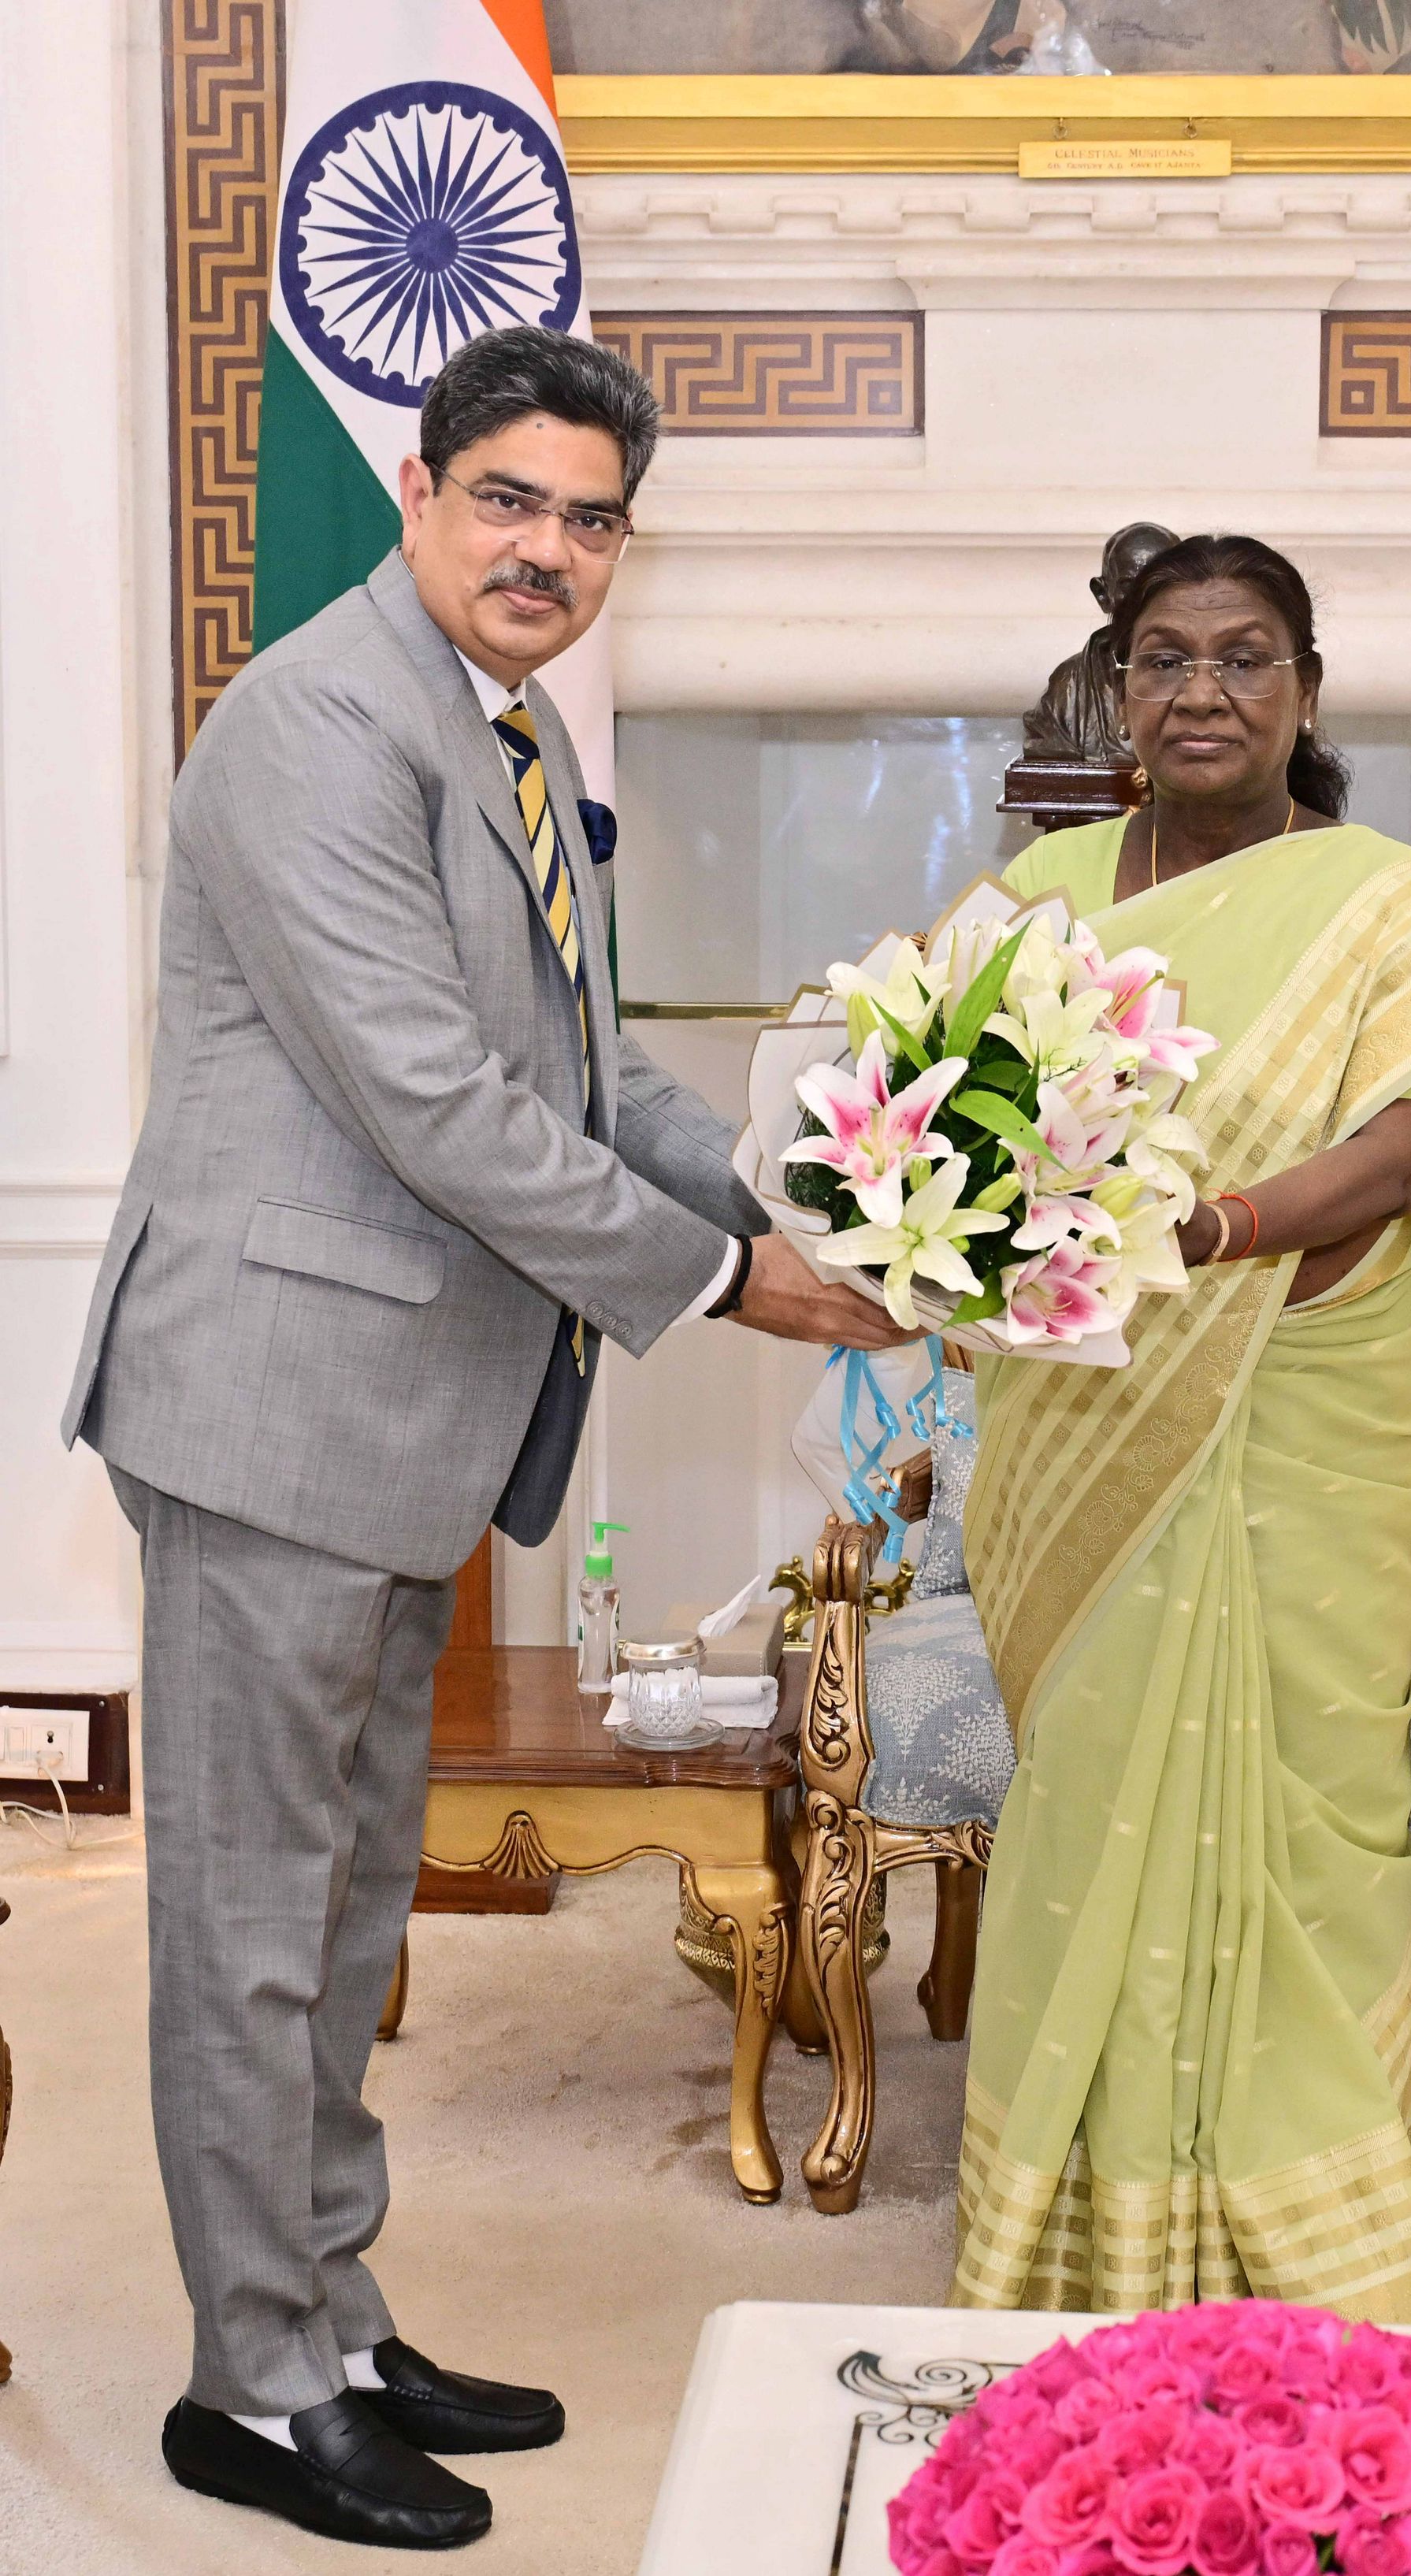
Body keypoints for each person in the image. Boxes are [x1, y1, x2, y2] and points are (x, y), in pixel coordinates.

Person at [61, 325, 907, 2551]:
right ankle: (252, 2386)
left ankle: (329, 2319)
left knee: (347, 1915)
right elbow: (433, 1101)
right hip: (270, 1406)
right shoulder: (315, 724)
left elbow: (588, 1077)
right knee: (252, 1924)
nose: (548, 548)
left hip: (400, 1414)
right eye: (509, 499)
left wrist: (814, 1201)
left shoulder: (505, 733)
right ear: (422, 496)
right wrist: (727, 1286)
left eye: (591, 519)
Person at [953, 532, 1411, 2322]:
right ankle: (1075, 2227)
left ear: (1306, 690)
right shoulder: (1034, 902)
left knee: (1315, 1825)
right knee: (1088, 1808)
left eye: (1244, 656)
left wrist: (1209, 1231)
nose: (1202, 691)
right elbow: (958, 1130)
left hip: (1304, 1406)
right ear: (1120, 692)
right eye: (1165, 659)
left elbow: (1406, 1155)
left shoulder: (1390, 917)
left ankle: (1309, 2239)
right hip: (1087, 1414)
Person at [1021, 518, 1179, 766]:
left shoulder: (1214, 676)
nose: (1145, 600)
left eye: (1161, 585)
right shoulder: (1070, 687)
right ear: (1103, 595)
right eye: (1130, 586)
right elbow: (1048, 770)